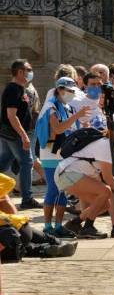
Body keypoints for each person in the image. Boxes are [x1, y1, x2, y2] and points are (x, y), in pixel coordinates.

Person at [38, 77, 89, 238]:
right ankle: (47, 226)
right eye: (70, 91)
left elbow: (70, 129)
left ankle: (58, 225)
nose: (72, 94)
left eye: (74, 91)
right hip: (51, 154)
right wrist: (78, 116)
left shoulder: (68, 107)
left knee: (62, 191)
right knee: (53, 189)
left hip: (63, 154)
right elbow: (58, 128)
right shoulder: (51, 106)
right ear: (60, 90)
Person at [54, 126, 114, 239]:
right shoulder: (106, 145)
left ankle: (75, 223)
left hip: (67, 175)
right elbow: (108, 178)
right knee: (106, 192)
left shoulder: (108, 144)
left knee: (105, 204)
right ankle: (88, 227)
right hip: (66, 174)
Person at [0, 59, 41, 210]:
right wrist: (24, 136)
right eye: (28, 69)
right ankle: (27, 198)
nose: (31, 72)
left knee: (4, 162)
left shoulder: (20, 88)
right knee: (27, 163)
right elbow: (12, 115)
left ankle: (27, 197)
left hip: (10, 134)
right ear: (20, 72)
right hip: (14, 134)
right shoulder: (13, 89)